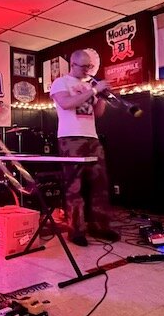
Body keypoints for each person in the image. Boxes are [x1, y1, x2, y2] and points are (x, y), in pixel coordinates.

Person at [49, 50, 120, 247]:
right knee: (74, 186)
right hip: (70, 138)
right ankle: (76, 230)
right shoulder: (61, 83)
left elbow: (96, 113)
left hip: (92, 138)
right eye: (84, 66)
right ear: (73, 64)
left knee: (100, 184)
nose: (88, 70)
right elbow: (66, 103)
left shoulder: (90, 85)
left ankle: (100, 226)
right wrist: (95, 91)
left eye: (89, 66)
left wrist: (103, 97)